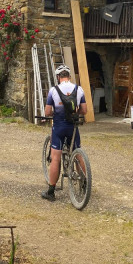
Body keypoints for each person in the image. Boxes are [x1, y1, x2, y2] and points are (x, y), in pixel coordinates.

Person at [41, 64, 87, 201]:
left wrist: (56, 112)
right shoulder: (79, 89)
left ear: (58, 77)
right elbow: (84, 110)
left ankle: (51, 192)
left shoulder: (53, 90)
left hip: (59, 126)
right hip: (73, 126)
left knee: (55, 157)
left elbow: (48, 112)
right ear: (69, 76)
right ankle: (84, 183)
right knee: (78, 154)